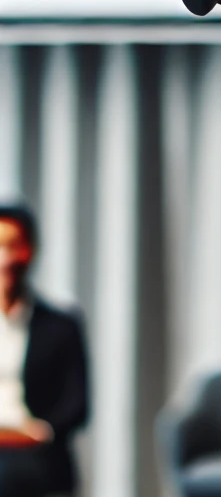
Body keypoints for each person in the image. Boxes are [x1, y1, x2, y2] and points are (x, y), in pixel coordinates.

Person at [0, 203, 88, 497]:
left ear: (31, 250)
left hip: (35, 451)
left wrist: (41, 431)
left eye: (14, 246)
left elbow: (78, 405)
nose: (6, 258)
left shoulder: (61, 326)